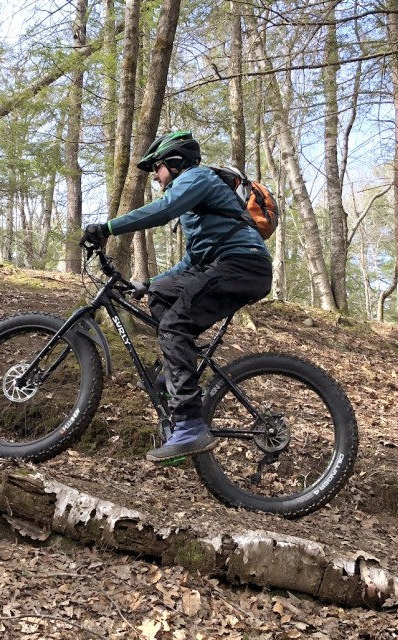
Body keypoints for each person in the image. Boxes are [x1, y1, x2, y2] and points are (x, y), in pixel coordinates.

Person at [80, 131, 272, 462]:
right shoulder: (198, 204)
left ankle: (189, 425)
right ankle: (174, 372)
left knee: (174, 327)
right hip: (228, 265)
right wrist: (149, 283)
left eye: (157, 168)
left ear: (174, 162)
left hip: (242, 266)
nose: (155, 176)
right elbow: (191, 262)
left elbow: (163, 210)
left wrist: (107, 228)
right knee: (163, 294)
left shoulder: (197, 177)